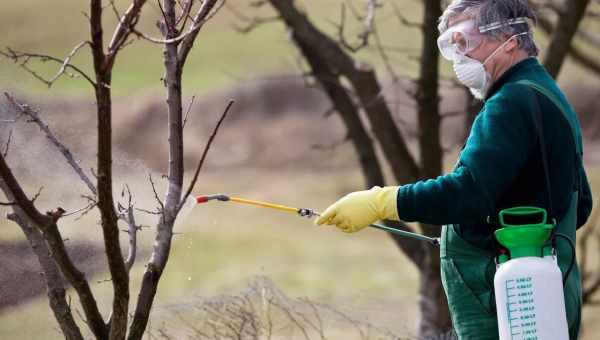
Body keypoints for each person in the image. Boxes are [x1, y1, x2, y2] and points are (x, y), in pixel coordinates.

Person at [315, 0, 593, 339]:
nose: (458, 56)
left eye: (465, 40)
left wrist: (384, 201)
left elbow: (468, 193)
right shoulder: (545, 94)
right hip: (548, 293)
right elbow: (580, 205)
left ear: (509, 37)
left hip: (510, 304)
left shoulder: (509, 104)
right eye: (452, 45)